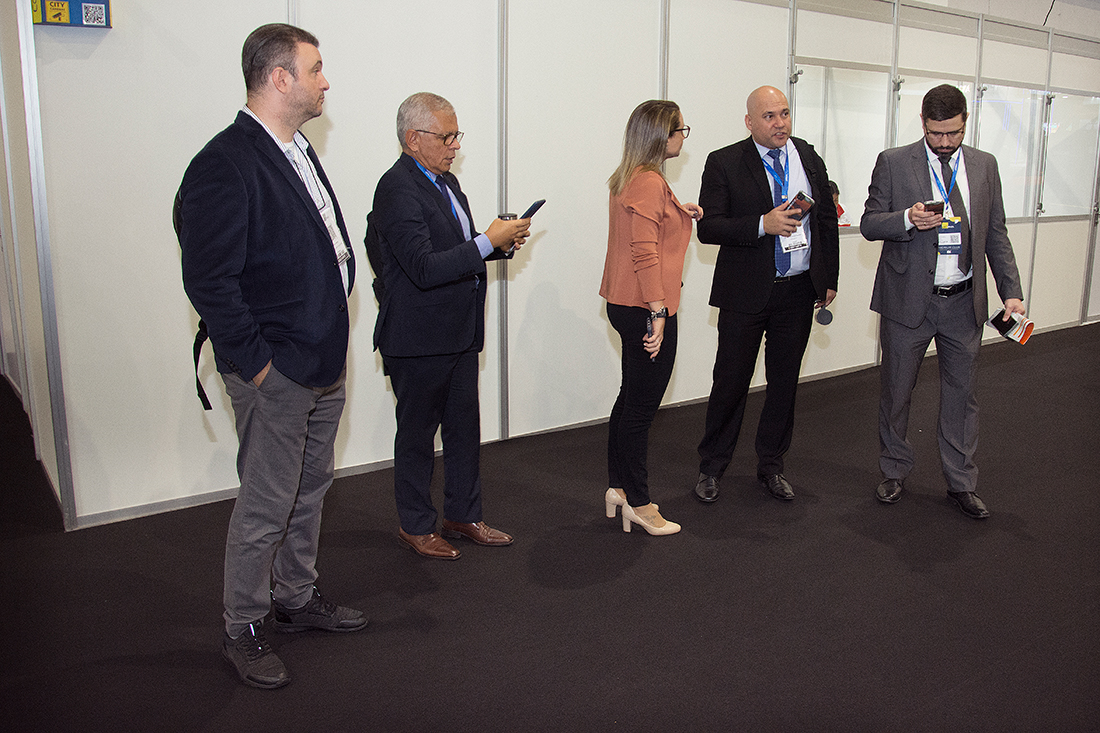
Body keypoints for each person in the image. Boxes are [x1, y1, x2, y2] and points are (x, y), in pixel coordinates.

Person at [178, 23, 366, 690]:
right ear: (280, 78)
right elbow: (209, 281)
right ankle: (245, 625)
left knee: (310, 488)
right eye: (315, 69)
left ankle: (294, 594)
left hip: (321, 359)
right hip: (278, 371)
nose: (325, 81)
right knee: (265, 504)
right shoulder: (224, 163)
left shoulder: (297, 149)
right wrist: (259, 366)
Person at [372, 92, 531, 559]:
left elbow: (455, 251)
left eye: (456, 135)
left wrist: (498, 245)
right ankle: (415, 525)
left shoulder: (448, 183)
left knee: (463, 430)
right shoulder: (396, 188)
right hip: (418, 338)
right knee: (418, 436)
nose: (455, 145)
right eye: (446, 137)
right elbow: (423, 267)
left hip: (458, 332)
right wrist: (486, 241)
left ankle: (463, 514)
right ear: (413, 138)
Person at [860, 84, 1024, 519]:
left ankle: (961, 482)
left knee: (962, 396)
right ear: (923, 123)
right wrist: (906, 219)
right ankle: (894, 470)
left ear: (966, 122)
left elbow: (996, 232)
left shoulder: (985, 165)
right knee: (897, 391)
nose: (946, 142)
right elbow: (870, 223)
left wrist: (1011, 291)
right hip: (907, 302)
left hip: (963, 304)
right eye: (937, 133)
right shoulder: (894, 162)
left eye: (954, 132)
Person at [692, 85, 840, 504]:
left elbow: (825, 219)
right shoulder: (723, 161)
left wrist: (828, 277)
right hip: (744, 294)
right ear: (749, 122)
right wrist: (762, 224)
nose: (780, 123)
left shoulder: (807, 155)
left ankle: (772, 466)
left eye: (785, 113)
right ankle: (711, 467)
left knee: (784, 385)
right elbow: (709, 228)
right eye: (770, 116)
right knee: (730, 383)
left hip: (797, 291)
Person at [599, 100, 703, 536]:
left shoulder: (634, 178)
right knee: (641, 410)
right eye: (681, 129)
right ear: (662, 135)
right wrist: (658, 312)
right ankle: (639, 504)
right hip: (645, 307)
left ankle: (620, 488)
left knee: (630, 399)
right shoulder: (648, 182)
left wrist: (681, 214)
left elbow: (648, 232)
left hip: (628, 303)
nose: (684, 136)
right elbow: (644, 252)